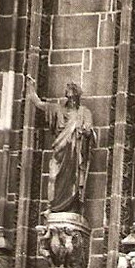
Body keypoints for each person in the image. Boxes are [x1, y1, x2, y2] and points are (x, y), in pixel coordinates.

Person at [27, 77, 97, 214]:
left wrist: (86, 131)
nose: (71, 100)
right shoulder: (57, 109)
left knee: (74, 181)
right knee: (53, 176)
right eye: (69, 97)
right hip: (60, 149)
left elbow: (89, 131)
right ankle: (51, 207)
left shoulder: (84, 113)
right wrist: (31, 87)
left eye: (74, 97)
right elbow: (39, 104)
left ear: (77, 98)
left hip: (75, 153)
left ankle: (72, 208)